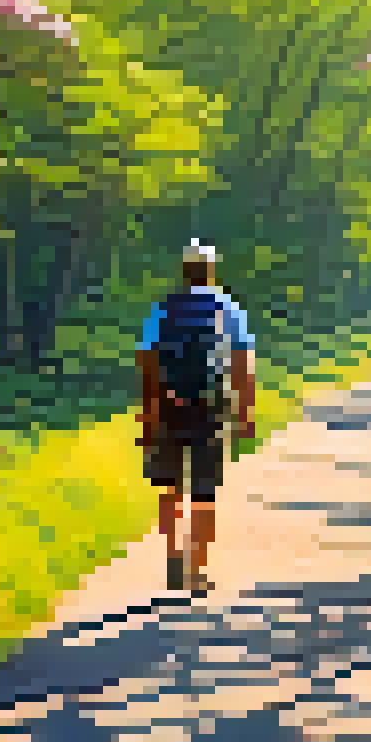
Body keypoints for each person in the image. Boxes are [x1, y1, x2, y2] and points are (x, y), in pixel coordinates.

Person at [137, 239, 257, 594]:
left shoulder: (163, 311)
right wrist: (244, 412)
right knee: (205, 491)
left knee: (170, 487)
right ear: (211, 270)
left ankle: (174, 556)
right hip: (212, 407)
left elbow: (148, 364)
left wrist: (150, 413)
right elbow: (242, 366)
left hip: (169, 407)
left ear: (184, 271)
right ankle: (198, 568)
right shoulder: (228, 310)